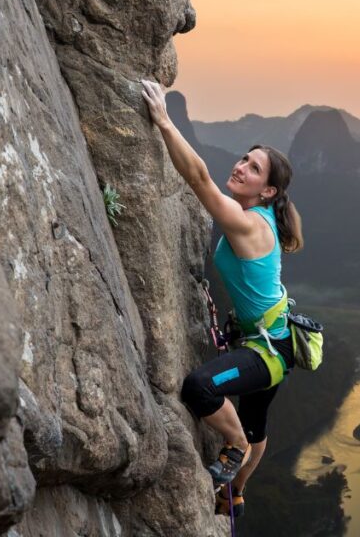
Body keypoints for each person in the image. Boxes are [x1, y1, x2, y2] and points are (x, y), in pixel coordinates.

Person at [141, 79, 304, 517]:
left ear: (267, 191)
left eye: (253, 169)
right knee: (258, 423)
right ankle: (237, 492)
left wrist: (163, 121)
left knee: (200, 389)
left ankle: (234, 448)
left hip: (267, 352)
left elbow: (198, 179)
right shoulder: (262, 215)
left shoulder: (250, 223)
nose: (240, 168)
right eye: (244, 159)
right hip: (276, 340)